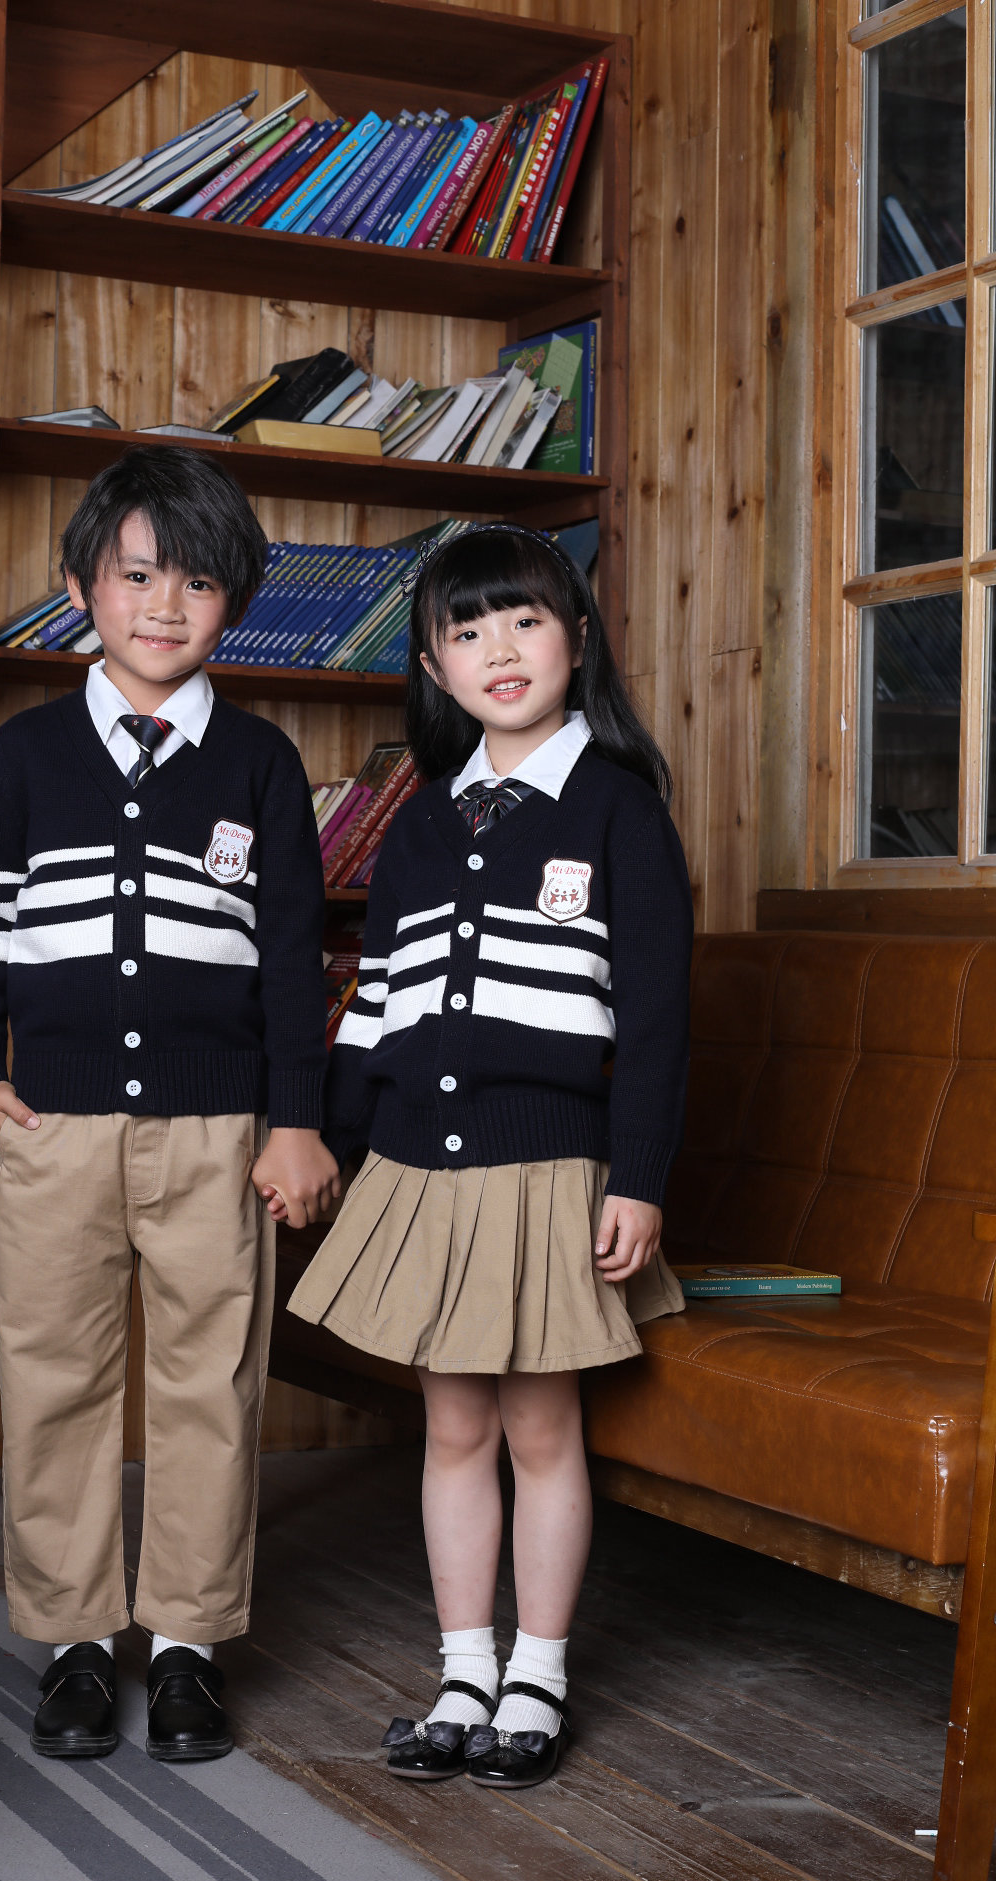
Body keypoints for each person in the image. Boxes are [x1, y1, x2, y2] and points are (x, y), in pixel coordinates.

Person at [0, 445, 339, 1764]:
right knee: (53, 1374)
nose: (165, 605)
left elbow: (291, 957)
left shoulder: (261, 765)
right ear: (80, 589)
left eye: (198, 583)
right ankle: (71, 1642)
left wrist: (294, 1118)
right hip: (53, 1128)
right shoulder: (25, 755)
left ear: (235, 604)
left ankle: (184, 1646)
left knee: (207, 1384)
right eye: (136, 575)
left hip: (216, 1132)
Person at [289, 522, 693, 1790]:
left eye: (523, 620)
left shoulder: (618, 811)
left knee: (539, 1430)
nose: (498, 649)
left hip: (546, 1172)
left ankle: (538, 1677)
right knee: (452, 1429)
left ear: (575, 639)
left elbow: (658, 1021)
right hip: (420, 1171)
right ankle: (463, 1670)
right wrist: (331, 1145)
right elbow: (379, 1006)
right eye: (466, 631)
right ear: (433, 667)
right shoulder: (417, 826)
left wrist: (637, 1180)